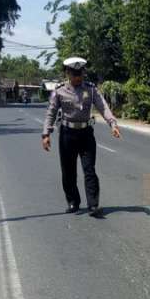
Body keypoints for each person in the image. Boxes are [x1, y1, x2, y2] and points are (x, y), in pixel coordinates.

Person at [41, 57, 121, 217]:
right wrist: (46, 134)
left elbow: (102, 106)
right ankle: (73, 202)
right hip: (67, 134)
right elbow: (51, 112)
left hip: (86, 134)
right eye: (74, 74)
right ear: (67, 73)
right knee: (68, 171)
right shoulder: (59, 90)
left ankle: (93, 205)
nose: (78, 77)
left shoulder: (91, 89)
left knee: (89, 169)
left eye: (80, 73)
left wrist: (113, 124)